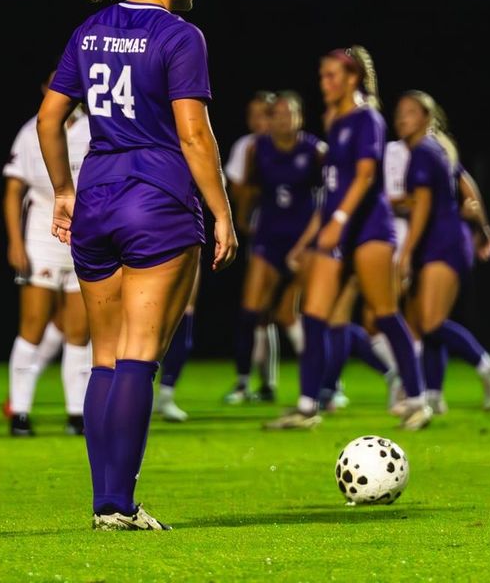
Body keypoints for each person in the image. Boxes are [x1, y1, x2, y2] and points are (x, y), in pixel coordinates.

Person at [37, 0, 237, 531]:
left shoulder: (90, 29)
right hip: (155, 199)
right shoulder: (182, 36)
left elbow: (49, 120)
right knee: (140, 357)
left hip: (96, 197)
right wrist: (223, 210)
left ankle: (107, 504)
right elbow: (194, 133)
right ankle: (119, 506)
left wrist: (64, 192)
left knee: (106, 358)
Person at [265, 46, 431, 431]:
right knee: (314, 315)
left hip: (370, 228)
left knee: (385, 314)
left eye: (332, 76)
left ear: (352, 78)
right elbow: (332, 188)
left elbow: (366, 175)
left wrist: (339, 219)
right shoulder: (333, 119)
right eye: (322, 76)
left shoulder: (366, 118)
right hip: (338, 229)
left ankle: (418, 400)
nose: (325, 83)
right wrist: (311, 236)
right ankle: (308, 407)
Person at [393, 91, 490, 413]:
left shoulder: (423, 152)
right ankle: (433, 394)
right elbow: (468, 189)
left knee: (429, 322)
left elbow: (424, 207)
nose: (402, 117)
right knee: (430, 321)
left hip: (441, 242)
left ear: (426, 119)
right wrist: (483, 230)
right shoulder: (438, 149)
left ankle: (487, 365)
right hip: (446, 240)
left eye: (411, 112)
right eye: (400, 111)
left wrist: (405, 254)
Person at [3, 85, 93, 436]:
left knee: (79, 331)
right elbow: (14, 190)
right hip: (42, 234)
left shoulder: (95, 127)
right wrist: (15, 241)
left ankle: (76, 414)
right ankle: (20, 412)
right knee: (34, 323)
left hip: (84, 236)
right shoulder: (32, 130)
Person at [224, 91, 321, 404]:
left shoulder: (315, 150)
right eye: (276, 113)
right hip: (268, 239)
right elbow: (249, 188)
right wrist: (240, 221)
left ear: (300, 118)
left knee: (296, 314)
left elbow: (328, 196)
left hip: (303, 242)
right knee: (250, 312)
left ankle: (322, 382)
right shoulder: (257, 148)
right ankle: (242, 383)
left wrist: (315, 240)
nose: (282, 119)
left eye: (288, 113)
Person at [153, 267, 200, 422]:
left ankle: (166, 395)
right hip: (139, 247)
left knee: (185, 309)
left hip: (182, 245)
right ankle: (136, 392)